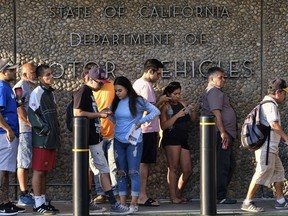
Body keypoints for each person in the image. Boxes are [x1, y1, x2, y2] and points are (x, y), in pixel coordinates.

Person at [73, 68, 130, 214]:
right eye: (99, 82)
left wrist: (101, 114)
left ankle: (88, 201)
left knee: (101, 169)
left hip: (95, 137)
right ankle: (113, 204)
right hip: (90, 139)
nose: (102, 86)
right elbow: (77, 113)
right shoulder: (83, 91)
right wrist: (99, 114)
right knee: (103, 170)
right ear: (90, 79)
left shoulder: (90, 92)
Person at [110, 76, 160, 213]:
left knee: (133, 171)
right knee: (121, 172)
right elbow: (111, 115)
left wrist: (141, 121)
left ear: (127, 88)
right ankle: (122, 203)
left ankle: (133, 202)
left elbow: (156, 111)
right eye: (116, 91)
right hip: (118, 140)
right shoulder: (115, 102)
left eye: (120, 90)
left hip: (134, 142)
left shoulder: (138, 101)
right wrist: (117, 123)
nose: (117, 93)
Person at [241, 78, 288, 213]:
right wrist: (286, 138)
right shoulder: (270, 105)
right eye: (284, 93)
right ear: (278, 92)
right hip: (266, 149)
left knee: (279, 172)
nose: (285, 96)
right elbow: (274, 124)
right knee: (261, 172)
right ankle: (247, 202)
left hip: (271, 148)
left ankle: (280, 200)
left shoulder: (268, 103)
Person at [133, 59, 170, 206]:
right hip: (146, 129)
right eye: (158, 74)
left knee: (141, 163)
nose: (159, 77)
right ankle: (142, 195)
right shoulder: (146, 86)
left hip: (141, 129)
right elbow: (149, 109)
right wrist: (160, 101)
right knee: (144, 164)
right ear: (150, 71)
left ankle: (138, 195)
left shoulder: (137, 84)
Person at [201, 66, 237, 204]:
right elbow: (216, 113)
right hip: (220, 134)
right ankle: (219, 196)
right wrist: (223, 132)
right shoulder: (214, 91)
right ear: (212, 78)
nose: (224, 80)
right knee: (222, 165)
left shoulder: (216, 91)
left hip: (224, 133)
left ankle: (217, 194)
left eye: (224, 77)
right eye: (220, 77)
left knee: (228, 164)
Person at [28, 65, 60, 215]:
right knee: (39, 171)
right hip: (42, 140)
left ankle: (43, 201)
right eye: (47, 75)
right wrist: (45, 131)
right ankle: (38, 204)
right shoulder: (37, 92)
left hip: (51, 139)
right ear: (40, 78)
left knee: (45, 171)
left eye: (51, 74)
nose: (51, 77)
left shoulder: (50, 93)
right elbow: (32, 115)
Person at [160, 82, 197, 204]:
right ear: (169, 94)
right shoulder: (166, 107)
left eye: (179, 93)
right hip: (171, 138)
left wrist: (192, 111)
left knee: (187, 170)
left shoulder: (182, 104)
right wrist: (177, 115)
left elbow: (192, 120)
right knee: (173, 167)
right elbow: (164, 125)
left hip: (183, 138)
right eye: (175, 94)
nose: (177, 96)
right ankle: (173, 196)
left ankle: (178, 192)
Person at [0, 58, 26, 215]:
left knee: (7, 169)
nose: (14, 72)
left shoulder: (8, 87)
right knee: (2, 170)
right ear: (3, 72)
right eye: (11, 70)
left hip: (9, 133)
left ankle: (6, 201)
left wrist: (17, 102)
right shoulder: (2, 87)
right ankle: (1, 204)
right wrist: (8, 129)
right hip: (4, 135)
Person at [13, 63, 37, 207]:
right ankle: (23, 194)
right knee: (24, 161)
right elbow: (18, 107)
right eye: (32, 72)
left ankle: (30, 192)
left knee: (31, 161)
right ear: (24, 74)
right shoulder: (20, 87)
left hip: (33, 130)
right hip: (25, 130)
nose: (34, 74)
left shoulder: (32, 86)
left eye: (34, 72)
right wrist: (29, 124)